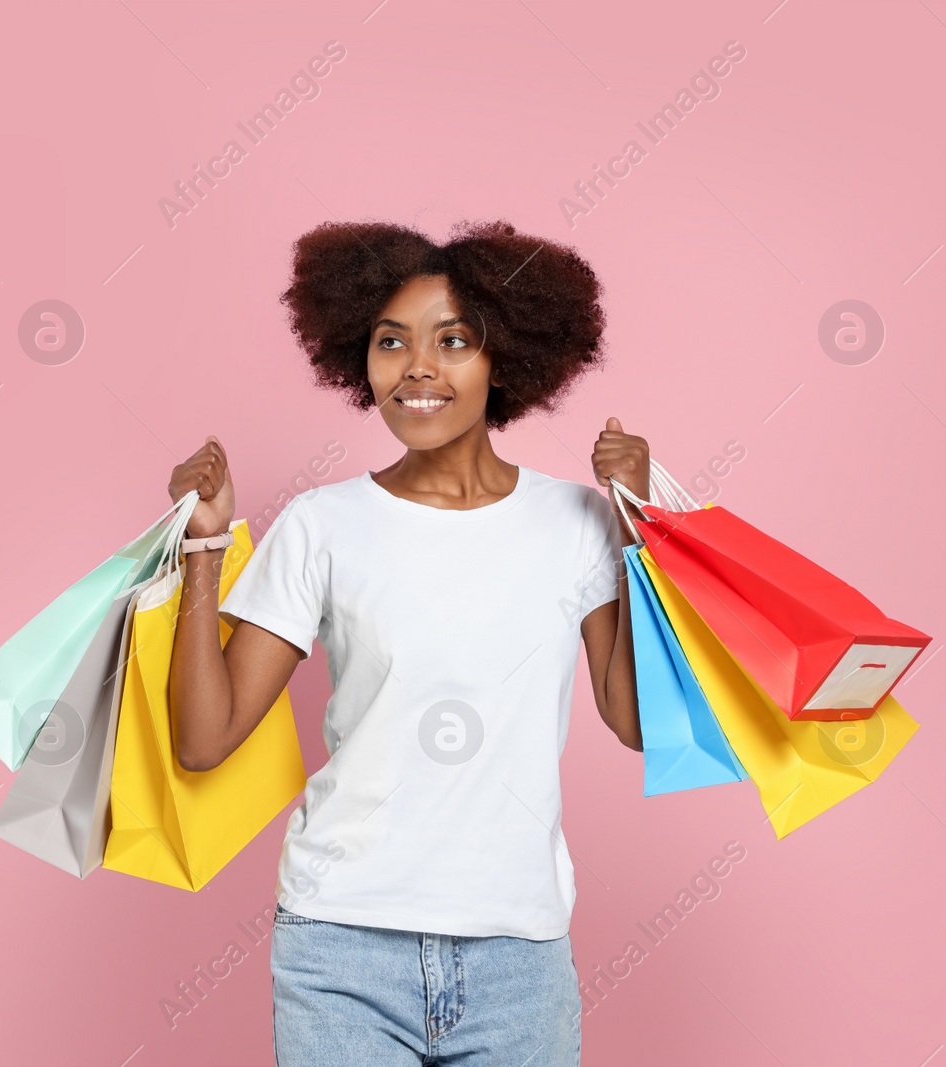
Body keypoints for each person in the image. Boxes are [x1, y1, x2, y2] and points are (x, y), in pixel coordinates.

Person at [166, 219, 649, 1067]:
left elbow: (636, 720)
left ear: (506, 358)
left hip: (518, 960)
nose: (418, 367)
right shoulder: (323, 525)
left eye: (452, 341)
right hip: (340, 948)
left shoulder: (575, 524)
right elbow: (204, 740)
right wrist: (202, 547)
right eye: (392, 343)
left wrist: (641, 531)